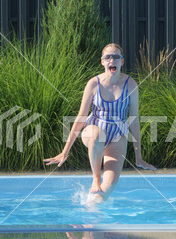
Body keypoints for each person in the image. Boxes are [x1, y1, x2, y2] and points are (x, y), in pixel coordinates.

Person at [44, 43, 156, 201]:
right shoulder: (93, 84)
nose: (112, 60)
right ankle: (95, 179)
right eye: (108, 57)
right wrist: (65, 151)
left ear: (122, 62)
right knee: (98, 135)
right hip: (93, 131)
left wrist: (138, 156)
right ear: (102, 62)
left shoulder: (130, 85)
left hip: (117, 136)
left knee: (107, 189)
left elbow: (134, 121)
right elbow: (81, 117)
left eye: (116, 57)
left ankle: (92, 206)